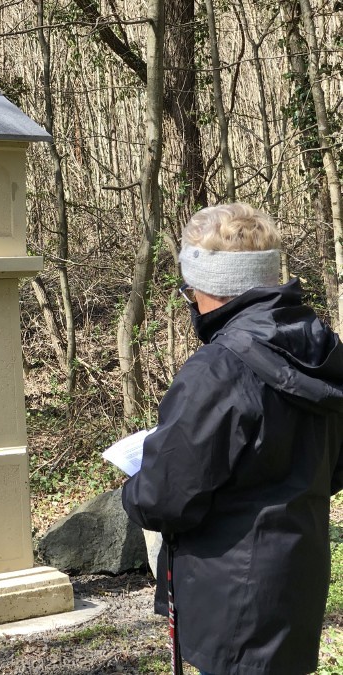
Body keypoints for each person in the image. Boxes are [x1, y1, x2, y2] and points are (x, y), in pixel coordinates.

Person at [122, 203, 343, 675]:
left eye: (189, 290)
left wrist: (135, 482)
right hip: (296, 579)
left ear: (209, 288)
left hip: (230, 594)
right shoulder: (321, 348)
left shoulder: (216, 371)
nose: (190, 300)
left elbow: (163, 499)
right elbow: (334, 467)